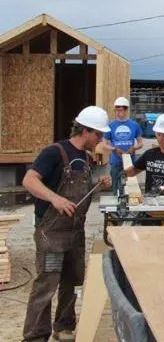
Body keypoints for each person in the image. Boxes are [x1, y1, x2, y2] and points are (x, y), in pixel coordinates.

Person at [22, 106, 112, 342]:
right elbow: (29, 180)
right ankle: (35, 336)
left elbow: (81, 191)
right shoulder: (54, 152)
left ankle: (63, 326)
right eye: (98, 134)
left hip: (75, 231)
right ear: (85, 131)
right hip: (52, 231)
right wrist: (55, 198)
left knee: (72, 281)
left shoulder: (86, 158)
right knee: (47, 284)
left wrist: (99, 183)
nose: (100, 140)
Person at [102, 96, 143, 196]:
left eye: (121, 110)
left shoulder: (134, 125)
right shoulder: (111, 126)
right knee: (115, 189)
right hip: (116, 162)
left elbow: (141, 143)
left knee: (131, 188)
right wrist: (114, 149)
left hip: (130, 162)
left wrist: (134, 148)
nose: (119, 113)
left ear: (126, 110)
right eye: (117, 110)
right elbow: (104, 144)